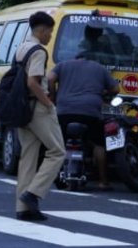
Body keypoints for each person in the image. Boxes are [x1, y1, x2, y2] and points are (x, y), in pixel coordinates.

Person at [14, 11, 65, 221]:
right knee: (57, 152)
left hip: (21, 108)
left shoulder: (21, 48)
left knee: (28, 156)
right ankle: (33, 193)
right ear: (41, 30)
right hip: (37, 108)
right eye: (50, 32)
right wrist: (48, 103)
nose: (50, 36)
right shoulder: (38, 51)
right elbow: (33, 82)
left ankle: (23, 208)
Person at [49, 38, 119, 191]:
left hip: (64, 111)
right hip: (90, 111)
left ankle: (54, 174)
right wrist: (104, 93)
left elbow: (50, 79)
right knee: (99, 144)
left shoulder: (63, 65)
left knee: (58, 143)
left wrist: (53, 97)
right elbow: (116, 89)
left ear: (77, 58)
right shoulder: (99, 68)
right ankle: (102, 181)